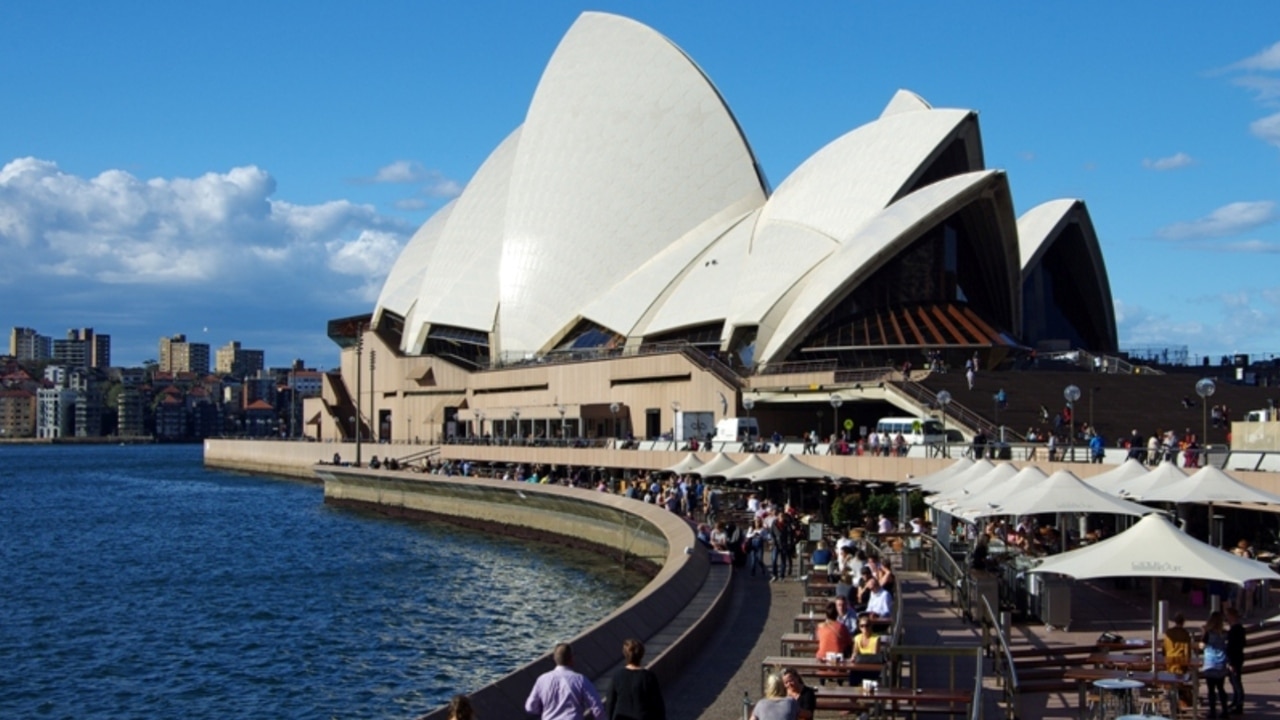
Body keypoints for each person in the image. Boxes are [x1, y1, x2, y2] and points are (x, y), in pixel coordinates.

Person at [524, 643, 605, 720]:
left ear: (554, 659)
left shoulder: (542, 680)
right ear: (571, 658)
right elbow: (597, 708)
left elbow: (530, 707)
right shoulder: (580, 680)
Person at [607, 638, 665, 720]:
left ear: (625, 654)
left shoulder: (617, 676)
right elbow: (658, 705)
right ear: (641, 655)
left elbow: (610, 702)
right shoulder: (648, 677)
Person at [1199, 612, 1230, 718]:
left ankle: (1213, 711)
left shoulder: (1208, 633)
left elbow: (1202, 646)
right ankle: (1225, 710)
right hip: (1221, 662)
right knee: (1221, 687)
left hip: (1210, 662)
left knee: (1211, 689)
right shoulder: (1224, 633)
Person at [1164, 612, 1194, 709]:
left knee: (1172, 681)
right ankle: (1179, 701)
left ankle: (1174, 701)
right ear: (1183, 622)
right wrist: (1187, 663)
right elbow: (1187, 650)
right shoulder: (1185, 634)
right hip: (1180, 661)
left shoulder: (1169, 633)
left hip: (1169, 661)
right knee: (1180, 682)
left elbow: (1165, 648)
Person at [848, 615, 884, 684]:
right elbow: (854, 653)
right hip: (860, 667)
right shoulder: (857, 638)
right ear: (859, 628)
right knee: (853, 675)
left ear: (871, 626)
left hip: (872, 668)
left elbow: (874, 657)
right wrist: (853, 657)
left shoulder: (876, 638)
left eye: (867, 625)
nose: (865, 628)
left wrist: (860, 657)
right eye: (862, 626)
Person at [1225, 606, 1246, 713]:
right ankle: (1236, 701)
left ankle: (1239, 704)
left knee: (1236, 681)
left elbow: (1233, 647)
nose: (1227, 618)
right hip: (1236, 657)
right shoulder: (1238, 629)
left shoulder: (1236, 630)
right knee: (1233, 680)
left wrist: (1231, 662)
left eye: (1228, 616)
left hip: (1235, 658)